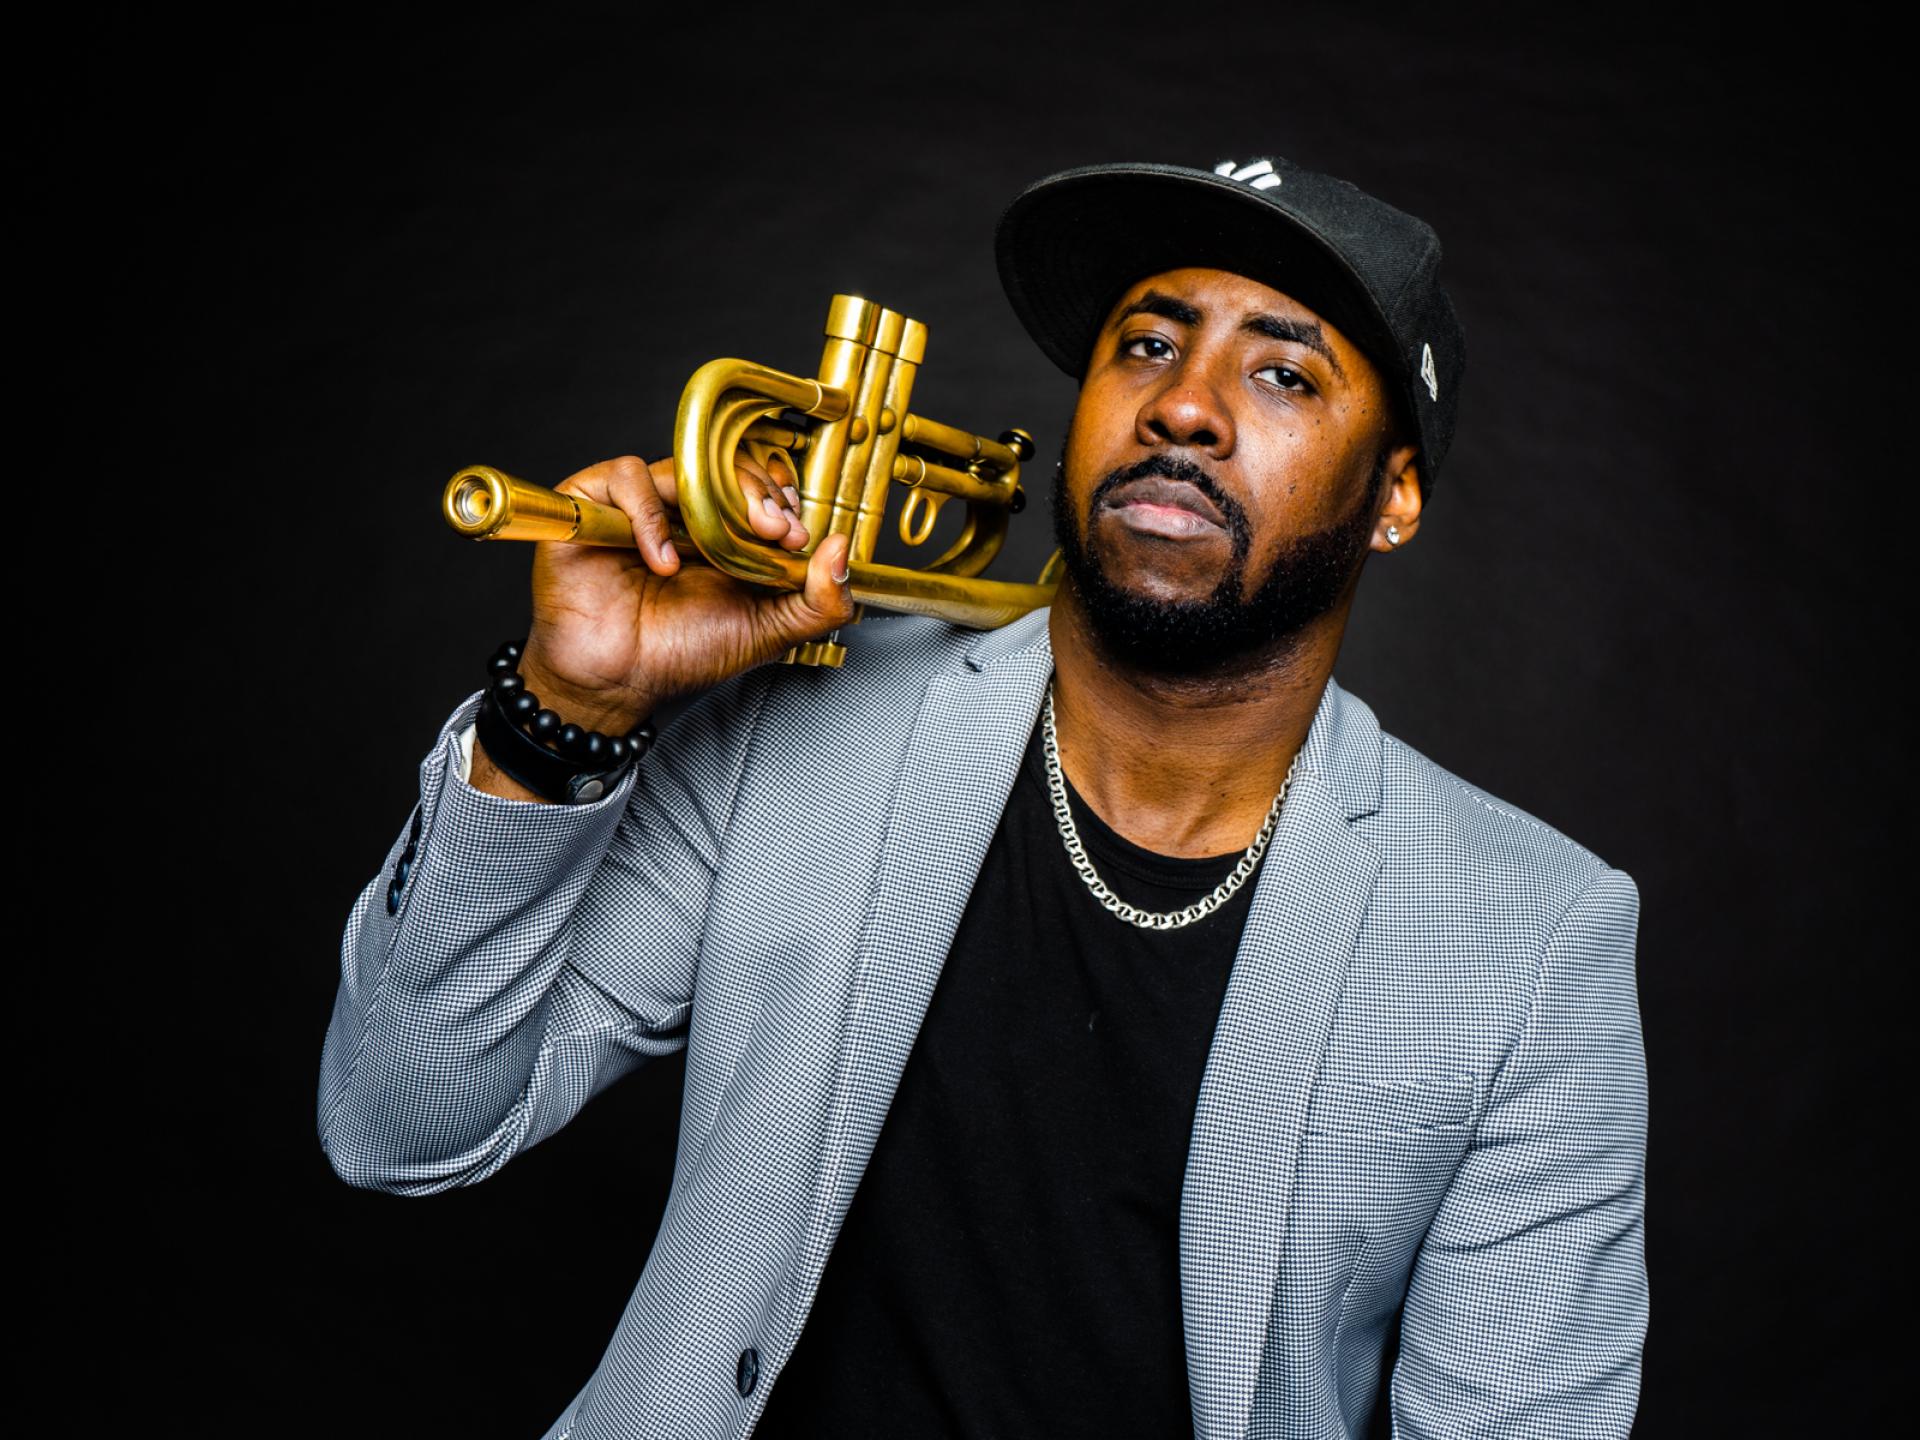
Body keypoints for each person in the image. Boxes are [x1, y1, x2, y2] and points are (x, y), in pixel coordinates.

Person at [318, 155, 1649, 1440]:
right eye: (1146, 344)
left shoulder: (1534, 938)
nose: (1183, 407)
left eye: (1282, 372)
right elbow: (398, 1126)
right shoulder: (799, 719)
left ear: (1394, 497)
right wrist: (566, 716)